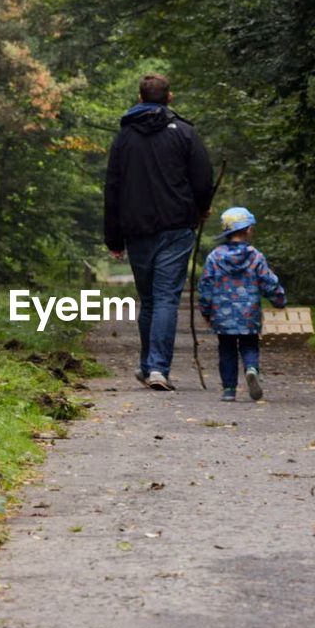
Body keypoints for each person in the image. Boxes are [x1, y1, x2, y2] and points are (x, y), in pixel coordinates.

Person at [104, 74, 213, 391]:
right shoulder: (185, 133)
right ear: (170, 97)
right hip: (176, 226)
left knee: (149, 299)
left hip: (137, 229)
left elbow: (112, 188)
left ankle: (147, 366)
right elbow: (203, 178)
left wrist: (113, 237)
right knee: (166, 298)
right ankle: (157, 369)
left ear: (140, 98)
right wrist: (200, 207)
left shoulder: (124, 138)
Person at [197, 207, 286, 401]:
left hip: (222, 315)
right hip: (249, 315)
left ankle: (229, 390)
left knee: (226, 350)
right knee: (249, 346)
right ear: (246, 230)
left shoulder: (215, 256)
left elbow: (205, 286)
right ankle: (251, 369)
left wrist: (205, 310)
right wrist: (279, 300)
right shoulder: (255, 256)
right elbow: (268, 282)